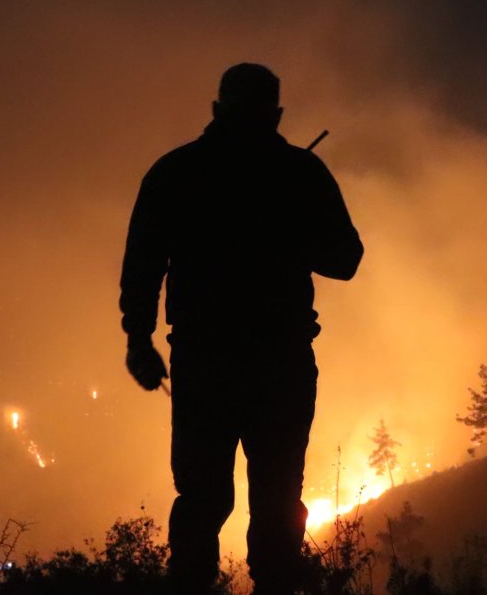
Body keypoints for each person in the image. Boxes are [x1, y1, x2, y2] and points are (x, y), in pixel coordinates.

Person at [119, 63, 363, 594]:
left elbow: (142, 265)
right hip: (280, 363)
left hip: (204, 362)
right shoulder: (299, 173)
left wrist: (139, 339)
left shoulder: (176, 171)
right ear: (276, 114)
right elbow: (346, 258)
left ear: (217, 109)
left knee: (203, 499)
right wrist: (290, 233)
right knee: (276, 500)